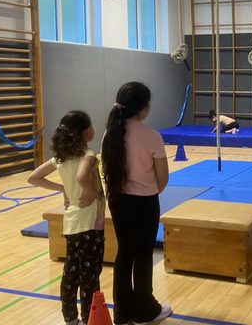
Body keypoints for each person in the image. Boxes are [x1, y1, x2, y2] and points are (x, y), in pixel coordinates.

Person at [101, 82, 172, 325]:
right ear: (143, 108)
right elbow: (163, 177)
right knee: (142, 255)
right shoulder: (151, 136)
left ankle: (122, 313)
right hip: (144, 202)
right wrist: (151, 191)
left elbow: (107, 170)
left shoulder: (109, 134)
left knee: (124, 253)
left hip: (118, 200)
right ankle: (144, 311)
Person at [27, 111, 105, 325]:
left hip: (71, 224)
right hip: (90, 225)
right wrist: (89, 189)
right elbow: (81, 176)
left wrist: (62, 188)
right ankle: (90, 318)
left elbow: (33, 177)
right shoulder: (88, 155)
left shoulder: (60, 159)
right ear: (87, 132)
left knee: (71, 272)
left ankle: (70, 317)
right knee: (89, 277)